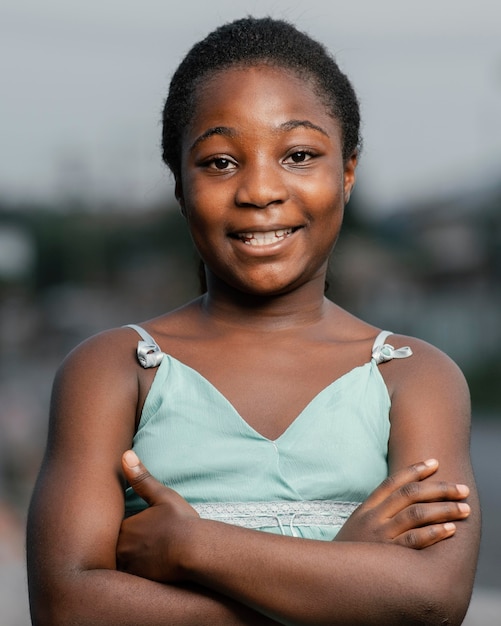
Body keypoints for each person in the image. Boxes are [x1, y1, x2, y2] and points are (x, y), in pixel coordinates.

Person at [27, 16, 480, 626]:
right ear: (179, 185)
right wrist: (342, 582)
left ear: (346, 173)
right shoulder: (114, 369)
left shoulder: (414, 378)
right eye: (219, 162)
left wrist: (194, 545)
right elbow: (67, 606)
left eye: (298, 154)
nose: (260, 190)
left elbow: (431, 599)